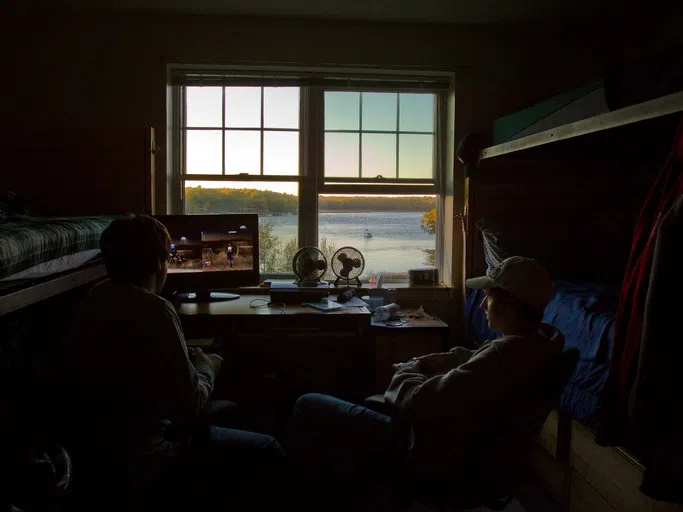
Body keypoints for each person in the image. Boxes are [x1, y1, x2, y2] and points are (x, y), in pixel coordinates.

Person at [289, 256, 564, 496]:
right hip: (476, 456)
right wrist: (448, 358)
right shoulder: (538, 347)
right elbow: (480, 362)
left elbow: (419, 401)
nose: (482, 306)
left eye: (488, 298)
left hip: (427, 450)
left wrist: (409, 368)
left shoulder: (501, 357)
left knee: (308, 403)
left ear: (509, 304)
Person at [64, 215, 285, 509]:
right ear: (158, 263)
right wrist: (209, 366)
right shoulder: (156, 310)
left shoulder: (94, 296)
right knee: (270, 449)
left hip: (97, 457)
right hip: (150, 457)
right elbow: (190, 405)